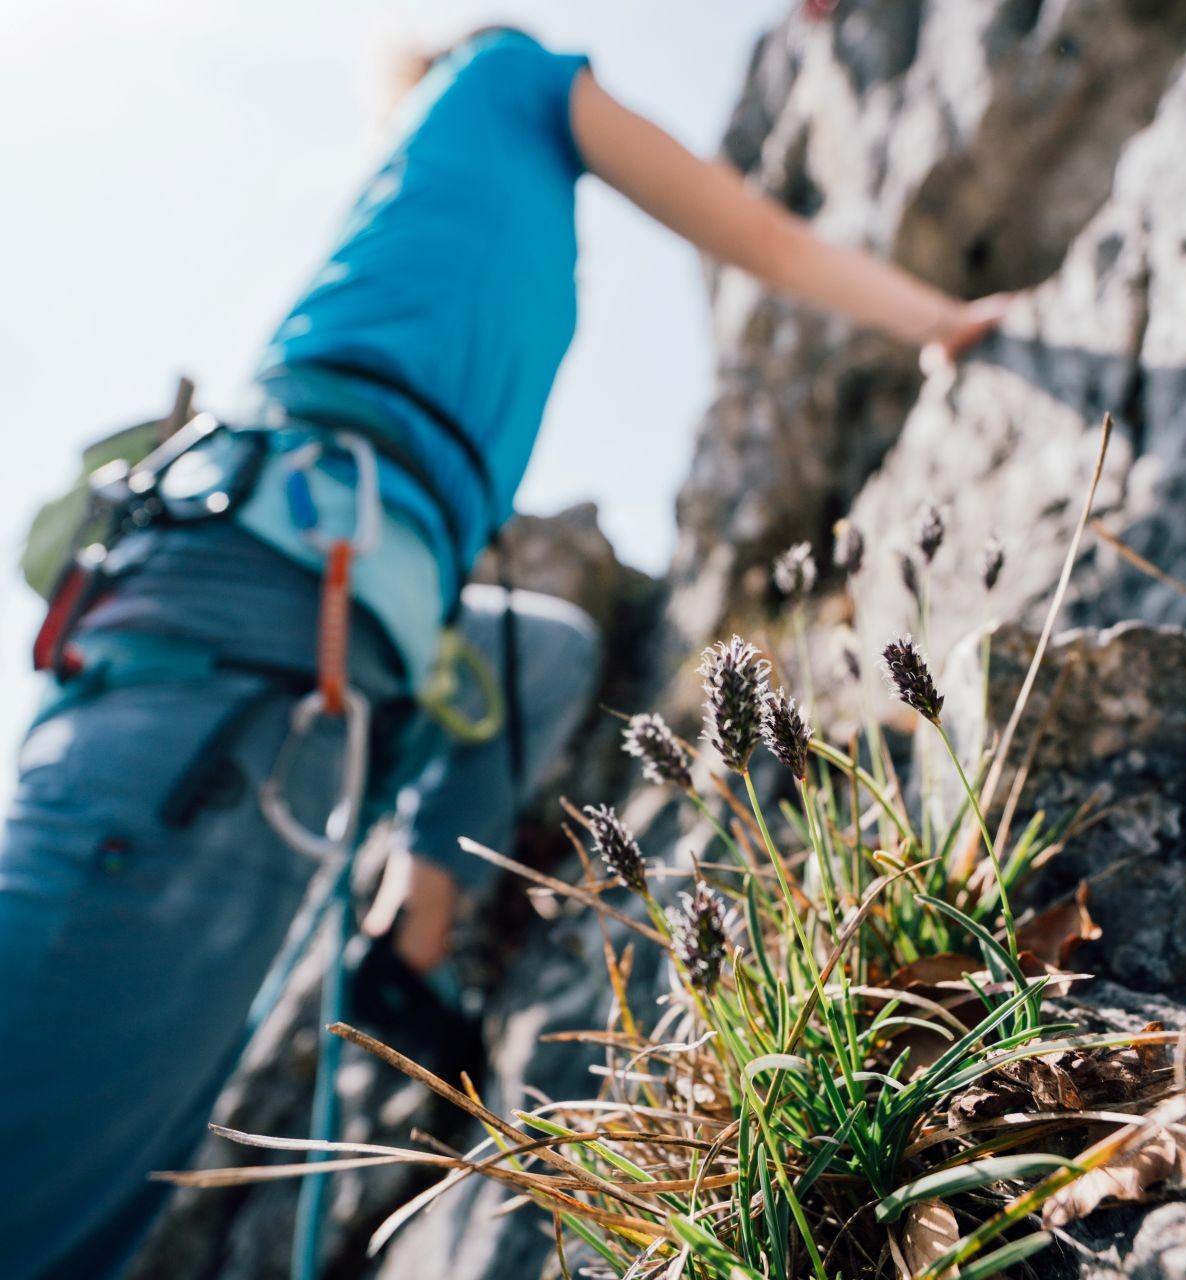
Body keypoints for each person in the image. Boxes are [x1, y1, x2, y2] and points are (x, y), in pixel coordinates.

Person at [0, 24, 1005, 1280]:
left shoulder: (414, 188)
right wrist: (943, 319)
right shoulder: (507, 77)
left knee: (535, 658)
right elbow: (764, 237)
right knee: (55, 1101)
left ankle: (403, 960)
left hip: (325, 607)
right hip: (268, 599)